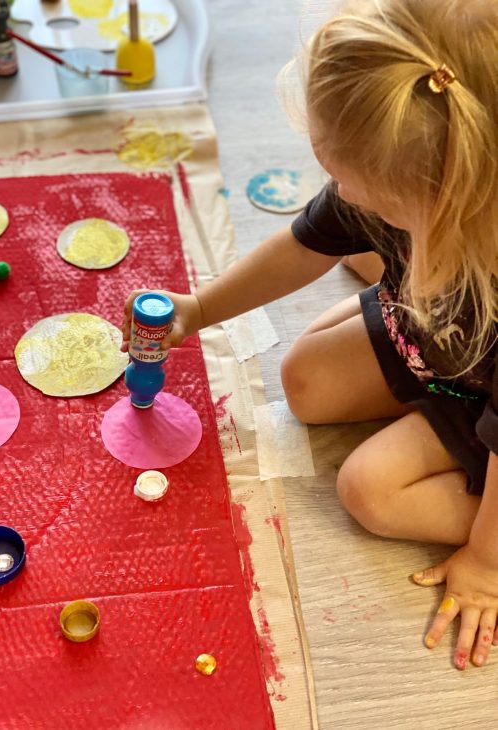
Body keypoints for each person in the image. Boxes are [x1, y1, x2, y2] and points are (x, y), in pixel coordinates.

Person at [123, 0, 497, 671]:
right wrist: (197, 309)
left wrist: (486, 561)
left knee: (369, 491)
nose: (338, 189)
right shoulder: (402, 172)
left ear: (445, 195)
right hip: (445, 344)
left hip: (487, 400)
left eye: (359, 188)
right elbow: (303, 245)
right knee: (306, 381)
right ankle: (390, 271)